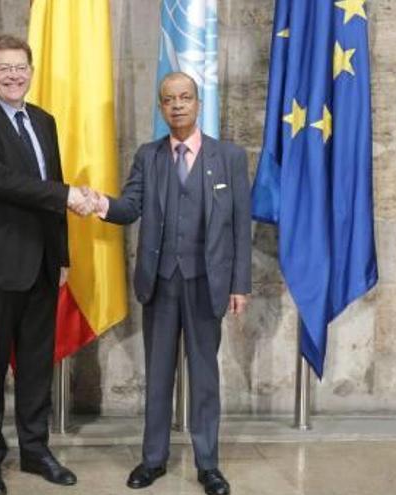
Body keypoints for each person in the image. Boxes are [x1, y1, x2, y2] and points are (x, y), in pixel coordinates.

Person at [92, 72, 251, 495]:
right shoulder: (149, 157)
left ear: (198, 104)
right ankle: (153, 459)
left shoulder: (229, 157)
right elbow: (130, 207)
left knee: (204, 377)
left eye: (185, 98)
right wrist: (99, 203)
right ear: (161, 108)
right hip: (160, 284)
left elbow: (239, 228)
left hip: (207, 283)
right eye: (168, 100)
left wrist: (240, 285)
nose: (177, 105)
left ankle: (209, 465)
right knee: (158, 375)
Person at [0, 34, 94, 495]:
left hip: (42, 267)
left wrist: (63, 256)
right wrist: (67, 195)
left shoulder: (44, 121)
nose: (14, 75)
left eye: (21, 67)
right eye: (4, 68)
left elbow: (49, 186)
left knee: (36, 366)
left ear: (31, 71)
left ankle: (36, 450)